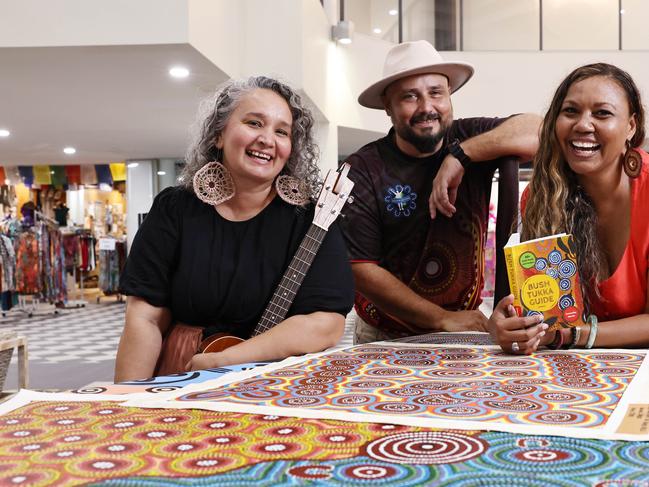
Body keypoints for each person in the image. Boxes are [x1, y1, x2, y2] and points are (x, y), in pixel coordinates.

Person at [115, 76, 354, 382]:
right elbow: (144, 317)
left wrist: (226, 360)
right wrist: (127, 396)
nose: (267, 139)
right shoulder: (175, 208)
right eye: (254, 123)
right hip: (181, 371)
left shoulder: (312, 218)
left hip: (277, 378)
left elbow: (325, 322)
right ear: (219, 134)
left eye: (282, 131)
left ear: (291, 148)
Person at [341, 40, 540, 343]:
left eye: (436, 92)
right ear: (388, 106)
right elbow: (361, 268)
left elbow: (541, 131)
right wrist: (443, 319)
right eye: (410, 96)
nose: (427, 108)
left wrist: (461, 155)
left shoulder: (471, 136)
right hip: (385, 334)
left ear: (449, 95)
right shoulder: (364, 168)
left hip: (465, 329)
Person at [488, 63, 648, 353]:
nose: (583, 125)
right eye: (571, 111)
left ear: (631, 126)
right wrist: (508, 324)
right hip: (584, 376)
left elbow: (563, 332)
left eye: (602, 113)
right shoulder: (542, 196)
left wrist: (572, 335)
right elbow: (540, 311)